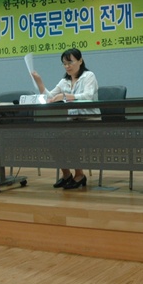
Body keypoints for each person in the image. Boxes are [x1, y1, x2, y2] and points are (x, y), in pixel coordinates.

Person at [31, 48, 100, 190]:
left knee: (69, 138)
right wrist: (39, 82)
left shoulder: (88, 76)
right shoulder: (65, 81)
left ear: (80, 61)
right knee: (52, 140)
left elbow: (87, 96)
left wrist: (64, 96)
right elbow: (50, 97)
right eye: (64, 63)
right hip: (73, 122)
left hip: (90, 122)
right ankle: (67, 174)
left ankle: (79, 175)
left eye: (70, 62)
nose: (67, 66)